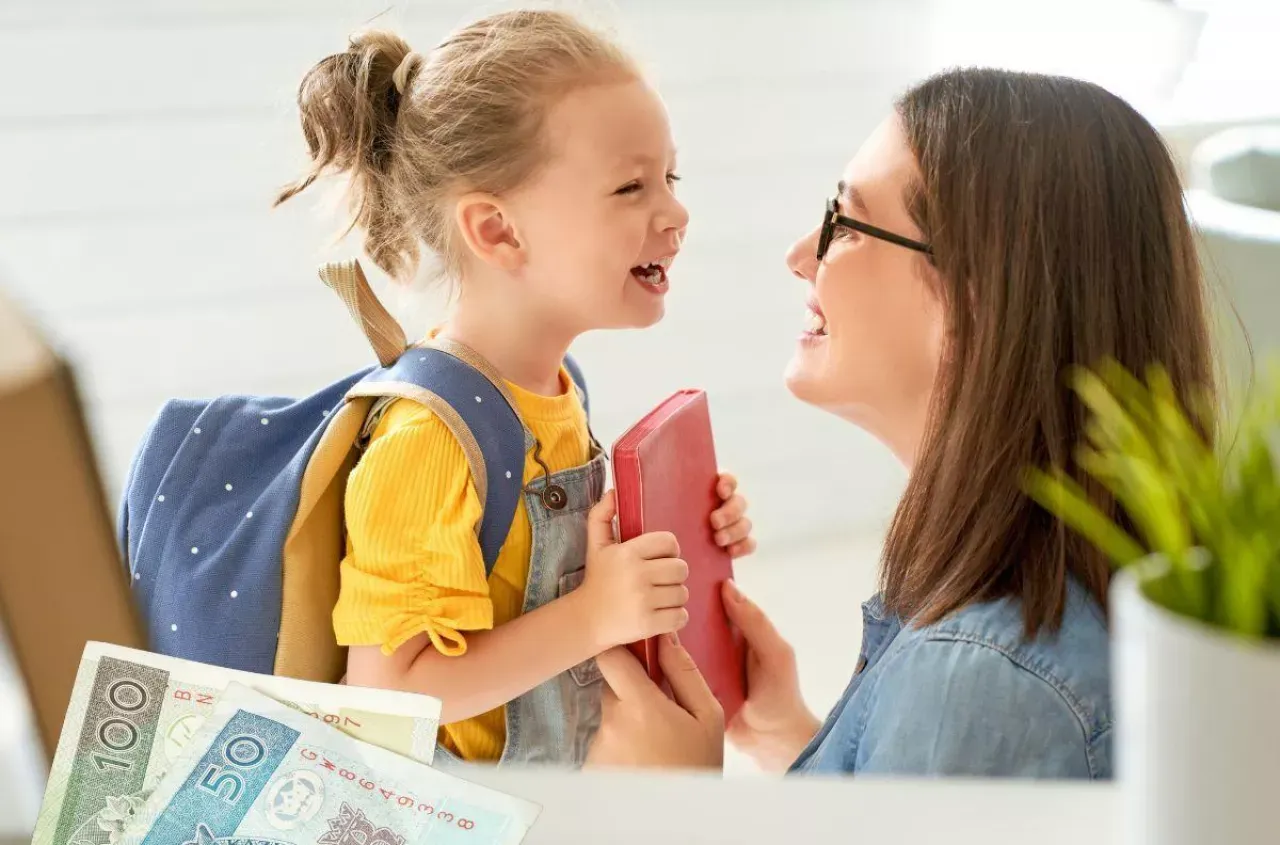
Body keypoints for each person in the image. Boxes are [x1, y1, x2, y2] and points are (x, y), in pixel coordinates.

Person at [584, 67, 1215, 779]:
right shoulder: (1007, 638)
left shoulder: (981, 685)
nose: (801, 258)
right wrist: (787, 735)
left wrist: (668, 800)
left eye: (844, 225)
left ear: (975, 302)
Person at [274, 10, 757, 767]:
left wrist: (674, 533)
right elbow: (387, 695)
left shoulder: (558, 389)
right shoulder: (426, 441)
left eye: (670, 177)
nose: (676, 211)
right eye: (631, 186)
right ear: (497, 230)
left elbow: (531, 575)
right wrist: (593, 613)